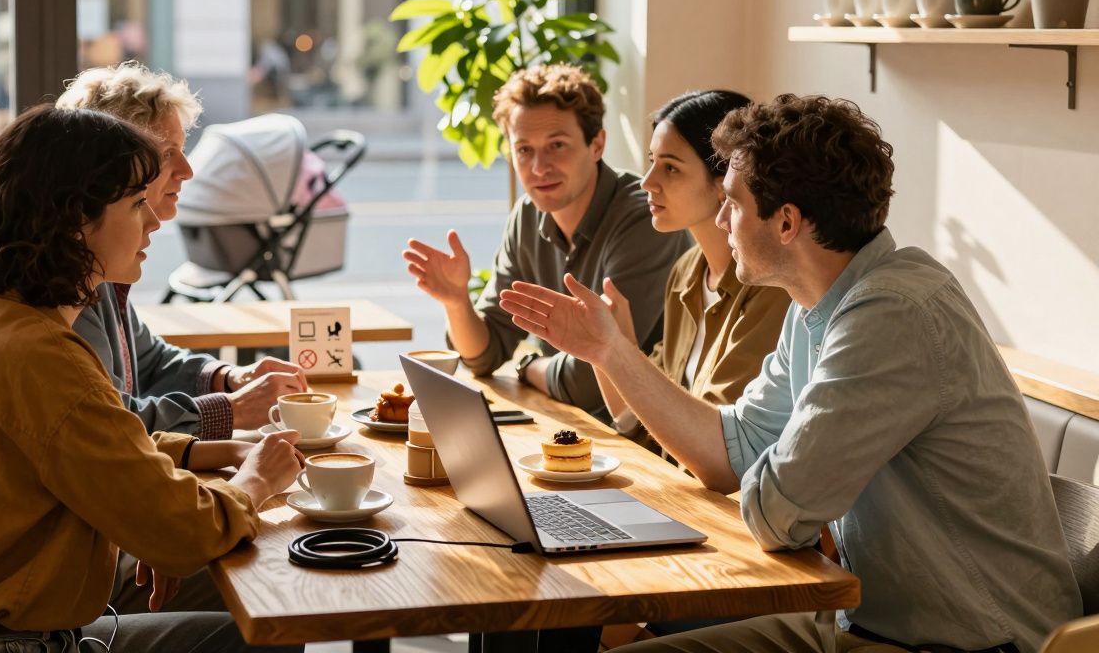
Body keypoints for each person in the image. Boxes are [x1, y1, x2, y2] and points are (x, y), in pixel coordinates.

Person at [500, 94, 1080, 652]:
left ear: (786, 223)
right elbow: (732, 450)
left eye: (731, 200)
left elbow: (779, 514)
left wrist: (770, 470)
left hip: (967, 643)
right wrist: (611, 351)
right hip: (862, 626)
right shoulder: (815, 306)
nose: (721, 220)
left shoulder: (891, 314)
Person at [0, 104, 304, 652]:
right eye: (135, 204)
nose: (153, 220)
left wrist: (211, 452)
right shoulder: (42, 358)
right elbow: (185, 533)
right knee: (269, 626)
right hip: (8, 644)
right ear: (75, 220)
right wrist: (258, 480)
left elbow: (87, 441)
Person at [52, 61, 309, 613]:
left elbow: (138, 375)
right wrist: (231, 426)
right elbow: (115, 422)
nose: (188, 170)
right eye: (168, 154)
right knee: (273, 591)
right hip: (57, 598)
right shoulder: (49, 319)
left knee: (260, 568)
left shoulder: (79, 278)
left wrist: (229, 381)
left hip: (82, 547)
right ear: (107, 170)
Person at [402, 64, 689, 422]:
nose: (539, 168)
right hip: (567, 423)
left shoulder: (643, 218)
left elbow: (589, 378)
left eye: (557, 146)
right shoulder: (527, 214)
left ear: (597, 144)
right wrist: (457, 302)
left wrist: (527, 365)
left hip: (643, 437)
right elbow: (484, 355)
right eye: (524, 150)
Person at [591, 91, 790, 450]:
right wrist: (608, 349)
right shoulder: (685, 272)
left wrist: (618, 351)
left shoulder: (772, 287)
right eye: (652, 162)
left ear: (725, 182)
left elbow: (716, 444)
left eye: (670, 168)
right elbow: (638, 424)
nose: (647, 182)